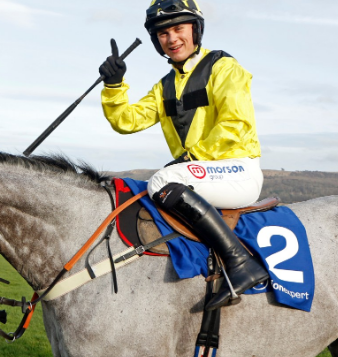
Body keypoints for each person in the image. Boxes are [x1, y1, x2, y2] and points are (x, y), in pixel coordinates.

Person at [98, 0, 268, 310]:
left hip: (236, 171)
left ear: (195, 29)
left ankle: (242, 263)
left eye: (179, 28)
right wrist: (113, 85)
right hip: (198, 174)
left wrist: (191, 159)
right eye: (163, 33)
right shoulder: (164, 87)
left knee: (162, 179)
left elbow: (234, 124)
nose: (172, 38)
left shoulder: (224, 67)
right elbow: (127, 121)